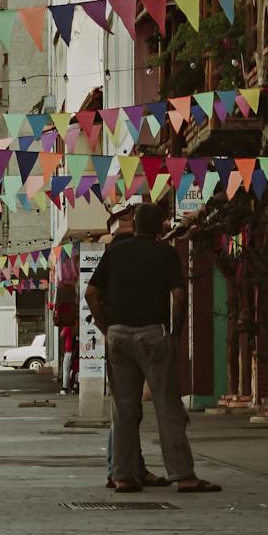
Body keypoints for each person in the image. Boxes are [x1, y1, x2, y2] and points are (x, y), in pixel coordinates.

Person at [86, 199, 219, 494]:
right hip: (152, 335)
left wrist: (107, 328)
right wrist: (175, 333)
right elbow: (180, 296)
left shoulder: (114, 252)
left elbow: (91, 293)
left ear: (133, 224)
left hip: (119, 335)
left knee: (123, 408)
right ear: (160, 225)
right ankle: (183, 475)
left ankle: (123, 476)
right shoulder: (165, 253)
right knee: (167, 406)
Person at [97, 205, 168, 490]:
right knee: (126, 411)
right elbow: (94, 294)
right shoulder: (120, 250)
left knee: (128, 411)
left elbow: (95, 294)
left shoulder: (122, 251)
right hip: (132, 334)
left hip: (119, 335)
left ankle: (130, 468)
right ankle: (119, 468)